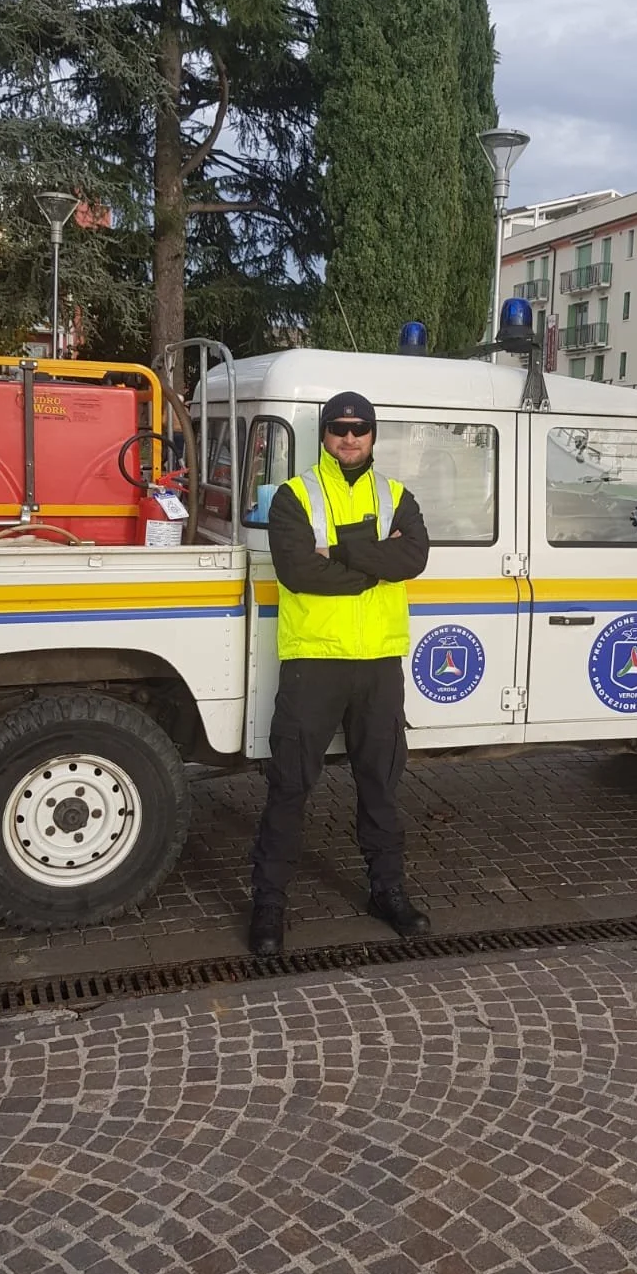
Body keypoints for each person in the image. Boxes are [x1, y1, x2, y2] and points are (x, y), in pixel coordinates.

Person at [249, 390, 431, 956]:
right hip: (314, 662)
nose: (349, 438)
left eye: (359, 429)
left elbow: (414, 558)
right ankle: (269, 907)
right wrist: (375, 559)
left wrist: (342, 552)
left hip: (378, 664)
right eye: (338, 429)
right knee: (289, 787)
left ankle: (387, 891)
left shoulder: (398, 495)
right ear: (324, 434)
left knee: (381, 787)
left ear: (373, 435)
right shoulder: (293, 496)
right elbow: (300, 573)